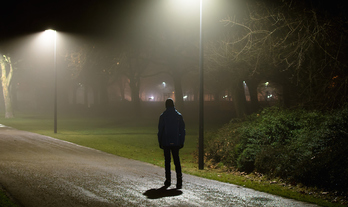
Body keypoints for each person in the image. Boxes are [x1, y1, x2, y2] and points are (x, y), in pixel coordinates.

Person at [158, 98, 185, 189]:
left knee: (167, 161)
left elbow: (160, 130)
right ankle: (179, 180)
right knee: (176, 160)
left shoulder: (163, 116)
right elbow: (182, 130)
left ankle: (168, 179)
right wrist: (181, 141)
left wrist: (160, 141)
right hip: (176, 141)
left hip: (166, 141)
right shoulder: (178, 116)